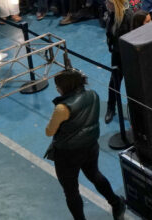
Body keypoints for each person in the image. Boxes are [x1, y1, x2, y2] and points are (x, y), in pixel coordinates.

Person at [44, 69, 126, 220]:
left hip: (67, 155)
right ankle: (116, 203)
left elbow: (49, 131)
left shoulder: (62, 107)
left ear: (65, 87)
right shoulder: (93, 94)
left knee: (71, 191)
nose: (56, 88)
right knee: (95, 175)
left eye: (58, 85)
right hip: (90, 146)